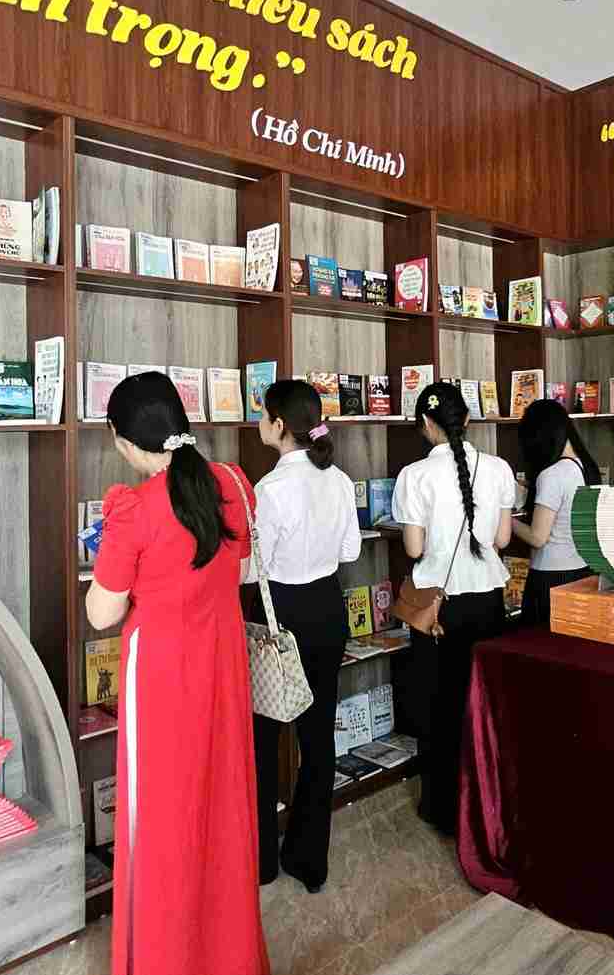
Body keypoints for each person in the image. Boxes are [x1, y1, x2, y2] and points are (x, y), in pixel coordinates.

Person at [85, 372, 269, 975]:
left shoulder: (133, 508)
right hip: (222, 664)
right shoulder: (232, 485)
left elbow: (102, 613)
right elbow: (237, 573)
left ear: (121, 439)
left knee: (161, 821)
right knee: (221, 806)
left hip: (161, 677)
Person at [250, 379, 362, 892]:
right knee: (319, 738)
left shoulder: (269, 490)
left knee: (264, 736)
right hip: (327, 609)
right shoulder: (338, 480)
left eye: (263, 415)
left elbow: (256, 570)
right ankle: (308, 859)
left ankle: (262, 862)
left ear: (279, 426)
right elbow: (351, 554)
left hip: (282, 615)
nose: (259, 423)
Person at [392, 381, 516, 834]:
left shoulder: (413, 476)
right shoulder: (500, 468)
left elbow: (414, 546)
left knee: (438, 706)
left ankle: (442, 809)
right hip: (488, 600)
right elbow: (502, 541)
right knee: (480, 705)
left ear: (425, 425)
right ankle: (484, 808)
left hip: (437, 609)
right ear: (466, 419)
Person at [510, 398, 602, 628]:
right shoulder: (586, 468)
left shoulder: (552, 474)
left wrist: (504, 519)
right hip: (582, 571)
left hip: (551, 576)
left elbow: (537, 537)